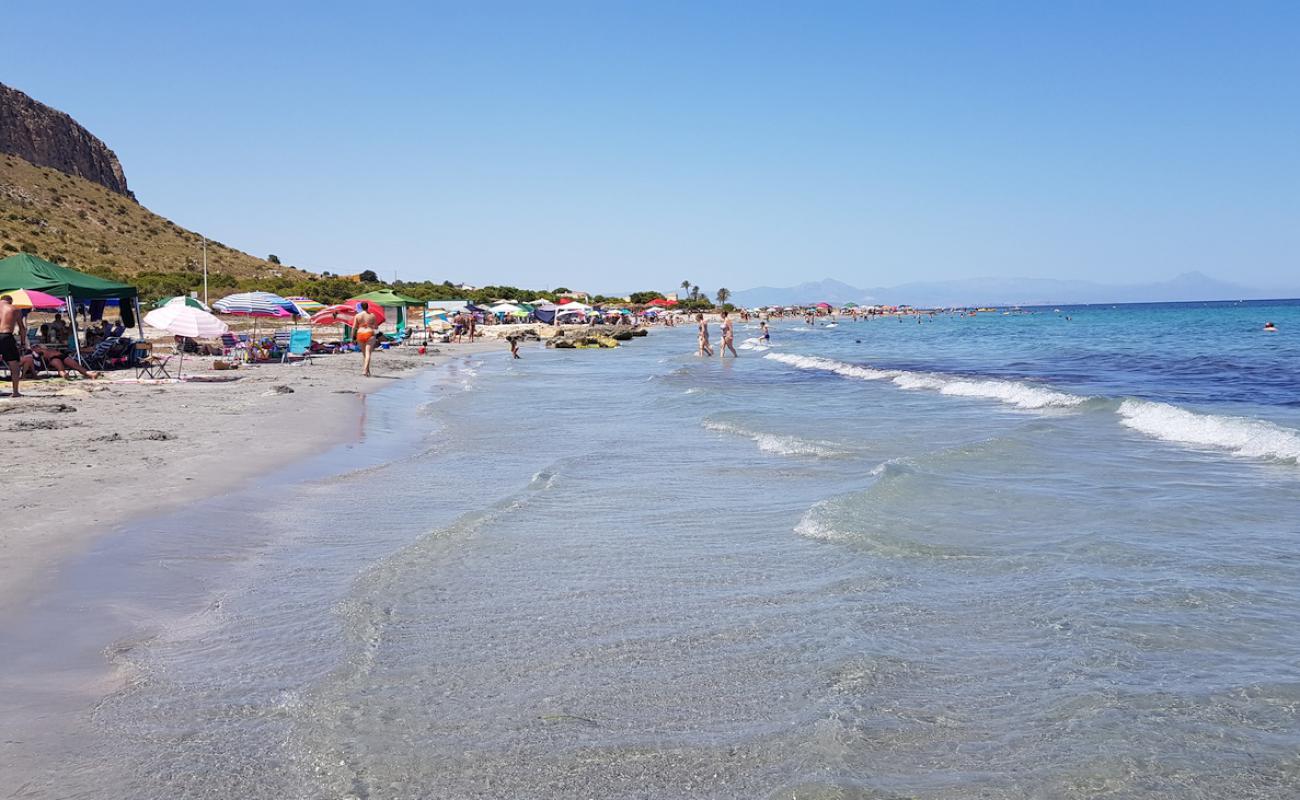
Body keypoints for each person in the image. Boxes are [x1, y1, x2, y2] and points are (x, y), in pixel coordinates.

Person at [0, 295, 27, 397]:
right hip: (6, 336)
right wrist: (23, 343)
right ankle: (15, 392)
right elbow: (22, 328)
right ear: (10, 301)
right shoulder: (14, 309)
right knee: (14, 364)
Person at [30, 343, 99, 380]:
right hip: (52, 358)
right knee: (60, 368)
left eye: (36, 346)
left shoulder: (46, 348)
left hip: (62, 356)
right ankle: (64, 375)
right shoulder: (35, 351)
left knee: (76, 366)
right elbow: (36, 357)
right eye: (35, 346)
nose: (36, 346)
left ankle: (90, 374)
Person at [354, 301, 379, 377]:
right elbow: (376, 327)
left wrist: (352, 337)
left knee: (364, 354)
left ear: (361, 307)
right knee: (368, 353)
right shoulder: (372, 315)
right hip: (369, 333)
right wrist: (370, 325)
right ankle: (365, 370)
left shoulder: (358, 315)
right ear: (368, 307)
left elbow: (354, 327)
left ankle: (368, 370)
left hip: (360, 333)